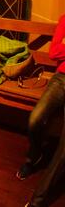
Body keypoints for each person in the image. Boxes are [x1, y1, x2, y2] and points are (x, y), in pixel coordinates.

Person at [17, 13, 65, 207]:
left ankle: (37, 202)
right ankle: (34, 156)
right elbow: (54, 52)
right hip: (61, 79)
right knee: (35, 119)